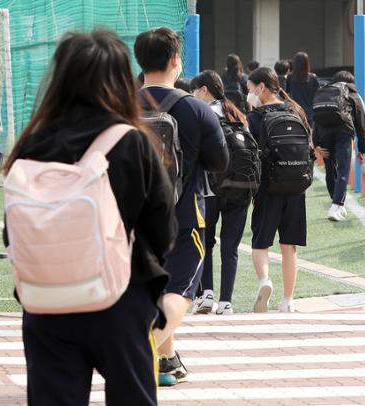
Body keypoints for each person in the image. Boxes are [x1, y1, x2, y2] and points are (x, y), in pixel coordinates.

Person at [2, 30, 178, 405]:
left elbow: (12, 232)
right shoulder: (131, 141)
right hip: (120, 299)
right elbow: (163, 226)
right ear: (118, 79)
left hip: (46, 304)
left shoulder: (32, 144)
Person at [134, 27, 228, 386]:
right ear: (176, 59)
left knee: (152, 286)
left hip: (128, 216)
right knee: (181, 290)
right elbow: (219, 161)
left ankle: (167, 361)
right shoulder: (195, 109)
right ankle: (140, 346)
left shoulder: (120, 104)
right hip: (183, 214)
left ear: (140, 61)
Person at [246, 67, 312, 313]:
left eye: (250, 89)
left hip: (268, 187)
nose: (249, 94)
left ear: (261, 87)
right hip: (297, 185)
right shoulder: (296, 110)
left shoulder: (255, 117)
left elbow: (249, 155)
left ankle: (265, 281)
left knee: (260, 243)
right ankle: (287, 301)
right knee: (289, 246)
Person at [190, 70, 254, 315]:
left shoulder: (204, 114)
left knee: (205, 242)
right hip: (241, 187)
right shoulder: (237, 113)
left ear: (204, 90)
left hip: (211, 188)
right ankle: (226, 302)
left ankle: (207, 294)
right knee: (231, 247)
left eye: (196, 90)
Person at [313, 70, 365, 221]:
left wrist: (316, 143)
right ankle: (336, 205)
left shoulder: (325, 93)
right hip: (344, 132)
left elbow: (316, 118)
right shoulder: (352, 94)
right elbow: (363, 124)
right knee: (343, 168)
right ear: (350, 82)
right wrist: (363, 149)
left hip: (324, 133)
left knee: (330, 169)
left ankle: (336, 203)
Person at [286, 52, 320, 129]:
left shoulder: (290, 77)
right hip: (310, 112)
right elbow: (317, 94)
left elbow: (287, 94)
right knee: (309, 137)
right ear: (307, 63)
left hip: (294, 111)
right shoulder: (313, 78)